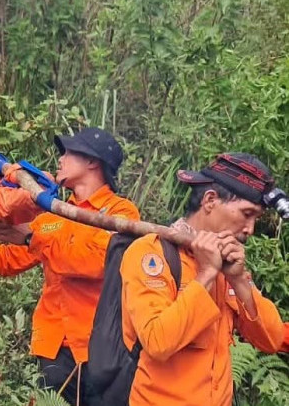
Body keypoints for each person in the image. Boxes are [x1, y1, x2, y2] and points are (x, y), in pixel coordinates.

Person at [0, 127, 140, 404]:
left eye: (69, 153)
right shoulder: (53, 215)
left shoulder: (120, 213)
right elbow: (6, 261)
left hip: (100, 351)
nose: (60, 159)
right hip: (52, 349)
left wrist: (31, 237)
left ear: (93, 162)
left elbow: (94, 263)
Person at [120, 153, 284, 406]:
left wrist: (239, 280)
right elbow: (157, 342)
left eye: (256, 219)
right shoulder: (152, 254)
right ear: (210, 200)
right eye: (246, 213)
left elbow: (271, 340)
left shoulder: (228, 263)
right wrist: (206, 275)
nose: (250, 229)